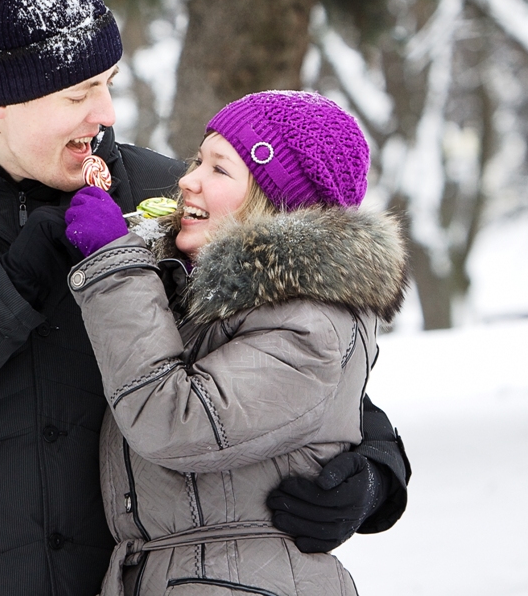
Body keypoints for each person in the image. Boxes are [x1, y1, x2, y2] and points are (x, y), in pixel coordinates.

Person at [0, 0, 409, 596]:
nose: (107, 112)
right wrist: (11, 284)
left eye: (108, 83)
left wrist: (376, 470)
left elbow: (288, 359)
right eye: (79, 94)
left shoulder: (159, 196)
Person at [61, 90, 411, 595]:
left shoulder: (309, 323)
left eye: (219, 169)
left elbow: (174, 418)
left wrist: (114, 267)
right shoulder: (206, 294)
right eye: (197, 160)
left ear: (276, 205)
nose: (186, 180)